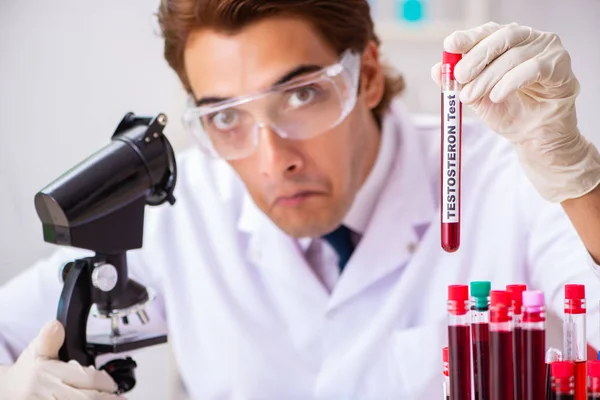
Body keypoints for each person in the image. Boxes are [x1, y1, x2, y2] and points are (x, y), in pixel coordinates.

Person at [2, 1, 600, 399]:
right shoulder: (184, 215)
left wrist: (580, 180)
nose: (272, 160)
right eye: (226, 116)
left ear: (366, 75)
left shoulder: (508, 172)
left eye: (300, 95)